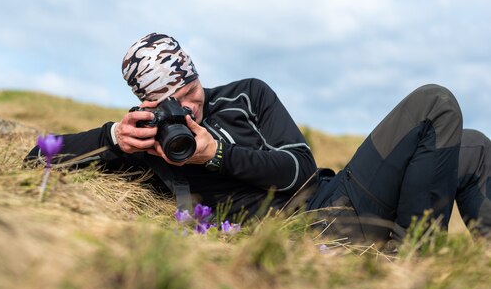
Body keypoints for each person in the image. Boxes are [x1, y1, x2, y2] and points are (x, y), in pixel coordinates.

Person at [24, 32, 491, 244]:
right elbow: (34, 161)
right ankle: (416, 258)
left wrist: (219, 153)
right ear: (147, 105)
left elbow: (300, 169)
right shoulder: (147, 142)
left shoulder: (248, 94)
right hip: (310, 228)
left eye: (192, 91)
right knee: (437, 100)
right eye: (173, 104)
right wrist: (112, 137)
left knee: (472, 144)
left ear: (196, 74)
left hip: (335, 196)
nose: (189, 109)